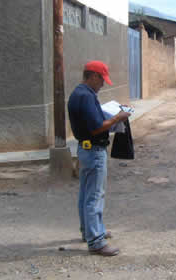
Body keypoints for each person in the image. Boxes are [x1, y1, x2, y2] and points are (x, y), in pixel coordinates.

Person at [68, 61, 131, 256]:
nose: (103, 84)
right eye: (102, 79)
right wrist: (117, 118)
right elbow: (96, 127)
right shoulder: (86, 96)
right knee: (95, 196)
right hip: (94, 151)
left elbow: (91, 122)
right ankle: (96, 241)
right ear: (93, 76)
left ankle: (89, 231)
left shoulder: (79, 93)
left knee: (86, 194)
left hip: (85, 149)